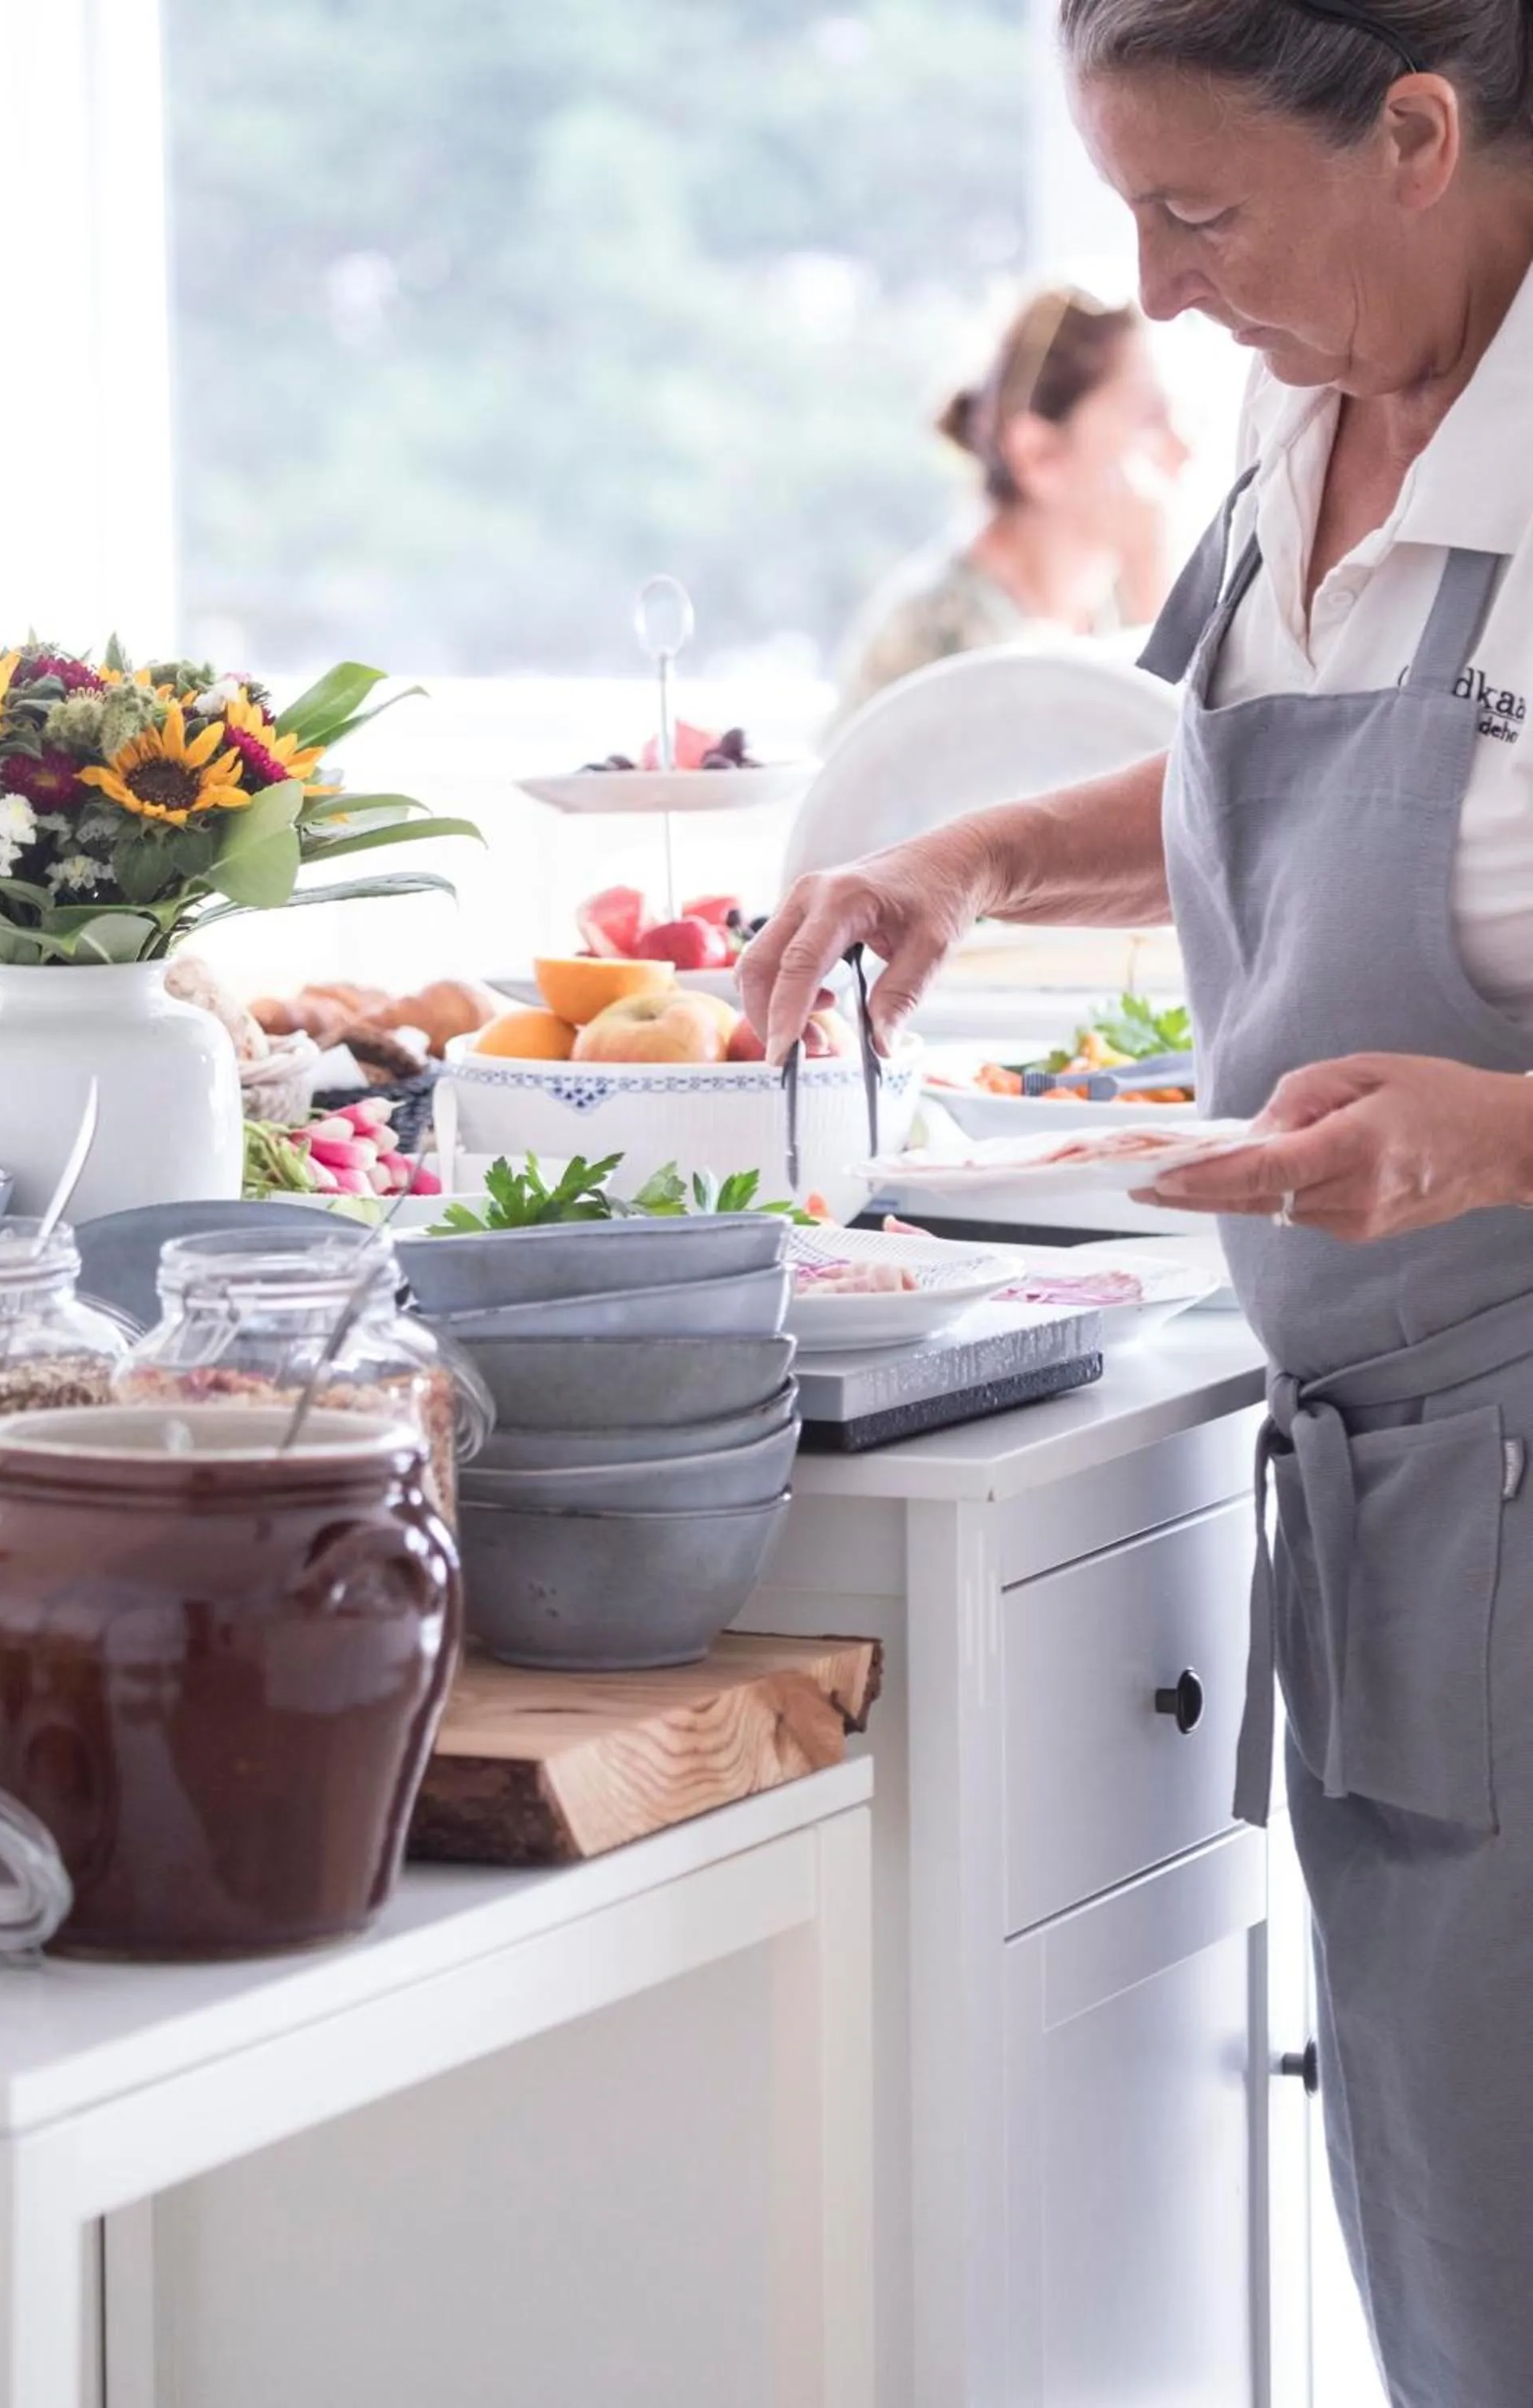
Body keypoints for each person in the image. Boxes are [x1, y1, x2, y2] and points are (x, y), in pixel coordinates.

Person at [742, 5, 1533, 2399]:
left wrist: (1501, 1137)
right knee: (1458, 2227)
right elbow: (1225, 763)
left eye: (1199, 212)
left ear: (1414, 133)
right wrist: (974, 849)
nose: (1157, 291)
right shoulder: (1327, 413)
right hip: (1405, 1504)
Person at [828, 286, 1190, 728]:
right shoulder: (942, 638)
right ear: (1039, 455)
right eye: (1150, 417)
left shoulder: (1102, 613)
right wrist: (1150, 578)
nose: (1184, 449)